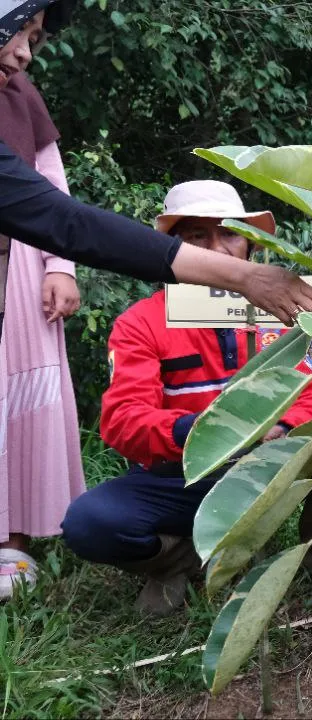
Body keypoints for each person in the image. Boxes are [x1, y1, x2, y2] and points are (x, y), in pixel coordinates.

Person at [59, 181, 312, 615]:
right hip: (183, 477)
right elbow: (123, 421)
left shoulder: (278, 314)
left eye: (229, 234)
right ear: (172, 248)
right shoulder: (141, 322)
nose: (217, 250)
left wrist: (283, 430)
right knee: (91, 522)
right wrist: (207, 433)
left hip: (269, 466)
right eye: (197, 236)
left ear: (250, 244)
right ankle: (182, 560)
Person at [0, 1, 312, 326]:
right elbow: (66, 222)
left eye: (33, 39)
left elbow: (62, 219)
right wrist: (247, 277)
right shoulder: (144, 325)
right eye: (18, 28)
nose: (26, 53)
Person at [0, 69, 84, 598]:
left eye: (34, 37)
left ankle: (13, 542)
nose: (25, 52)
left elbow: (51, 186)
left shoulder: (17, 92)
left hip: (20, 260)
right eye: (21, 35)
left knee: (21, 394)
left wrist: (61, 265)